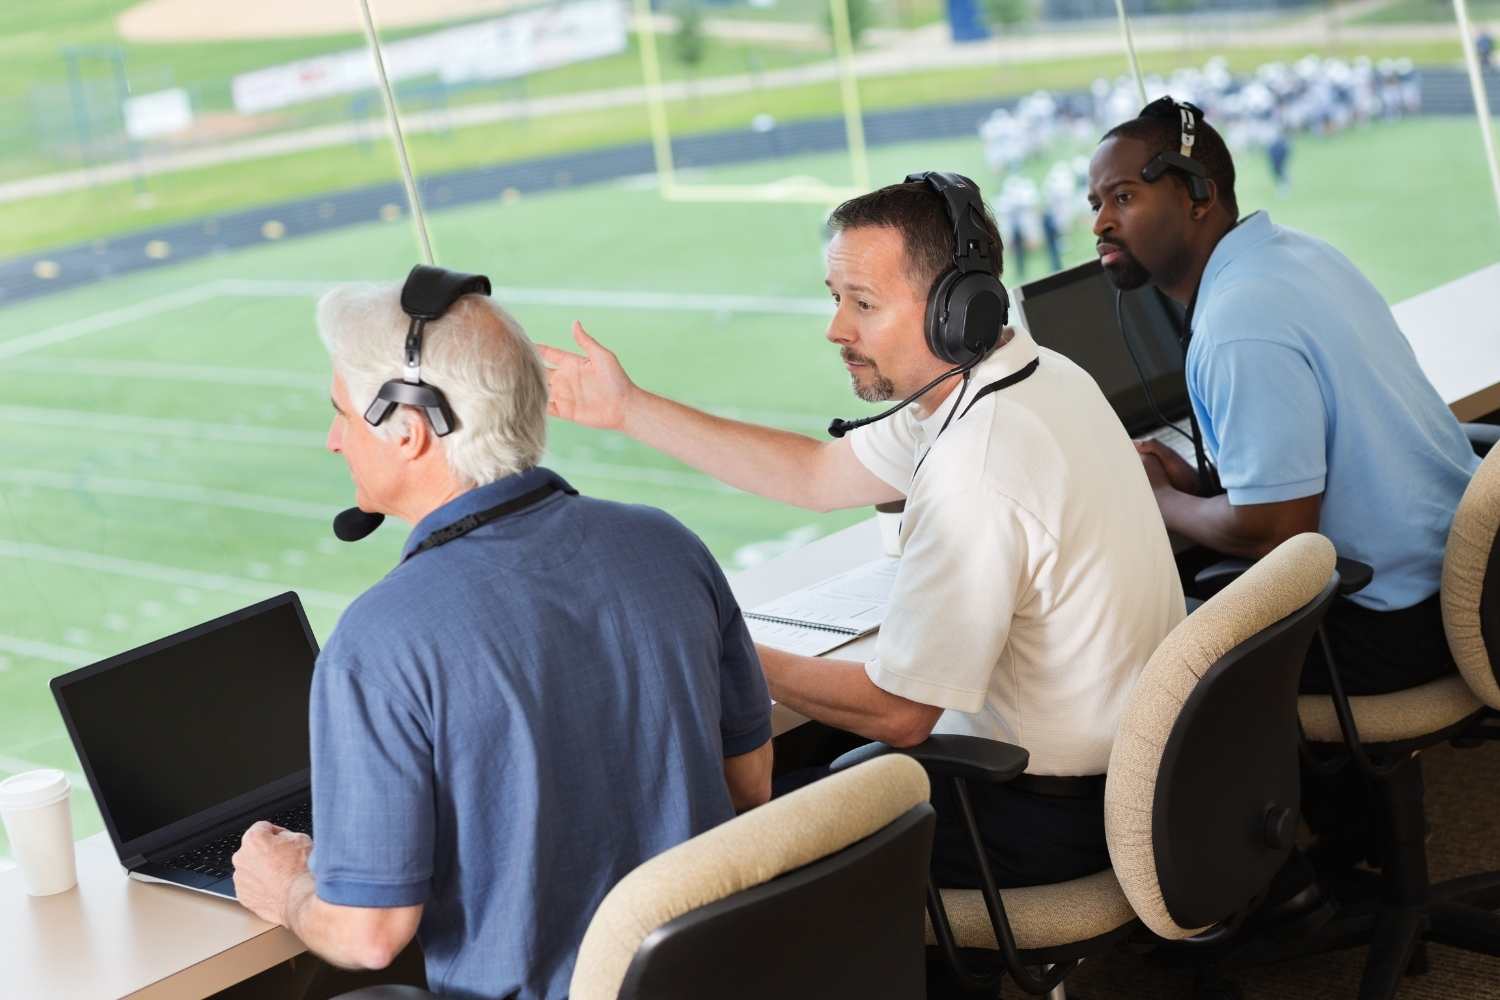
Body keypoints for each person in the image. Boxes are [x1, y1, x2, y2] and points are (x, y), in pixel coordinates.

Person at [542, 176, 1184, 889]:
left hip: (1049, 815)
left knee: (716, 850)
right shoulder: (1032, 375)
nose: (837, 328)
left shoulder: (976, 464)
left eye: (864, 303)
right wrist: (627, 409)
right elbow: (815, 475)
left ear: (954, 309)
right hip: (1139, 778)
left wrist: (722, 646)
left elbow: (901, 714)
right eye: (835, 298)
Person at [230, 280, 773, 1000]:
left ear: (408, 427)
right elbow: (748, 786)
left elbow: (368, 935)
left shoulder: (380, 641)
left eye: (340, 414)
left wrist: (288, 887)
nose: (333, 439)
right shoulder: (667, 543)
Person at [1087, 96, 1480, 698]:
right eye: (1095, 204)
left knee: (1155, 658)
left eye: (1123, 197)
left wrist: (1161, 498)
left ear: (1199, 196)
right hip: (1470, 578)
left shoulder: (1237, 324)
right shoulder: (1300, 254)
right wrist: (1199, 485)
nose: (1100, 225)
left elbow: (1277, 534)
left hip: (1400, 623)